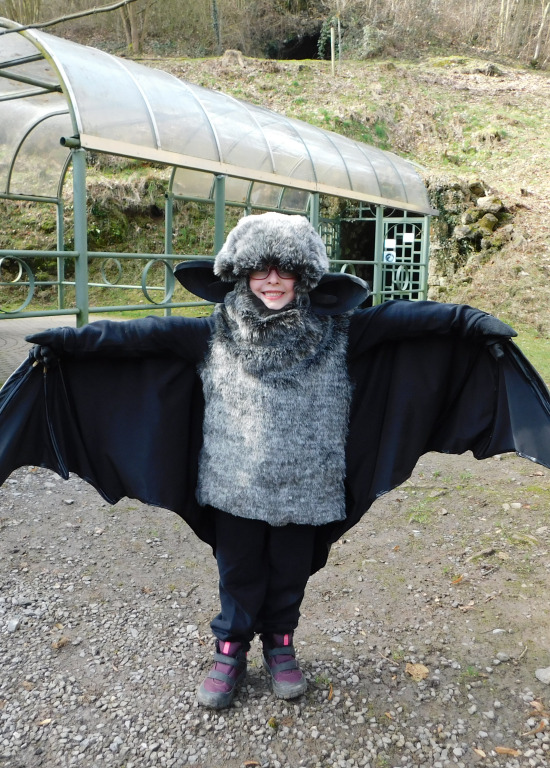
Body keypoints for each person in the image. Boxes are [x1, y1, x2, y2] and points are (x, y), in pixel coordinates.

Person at [19, 212, 539, 710]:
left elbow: (406, 318)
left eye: (285, 269)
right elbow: (138, 335)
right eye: (260, 269)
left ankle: (280, 645)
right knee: (239, 571)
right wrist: (65, 342)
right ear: (240, 273)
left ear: (304, 276)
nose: (272, 280)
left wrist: (470, 320)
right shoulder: (213, 332)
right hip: (235, 486)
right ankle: (230, 652)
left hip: (308, 487)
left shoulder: (340, 331)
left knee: (290, 571)